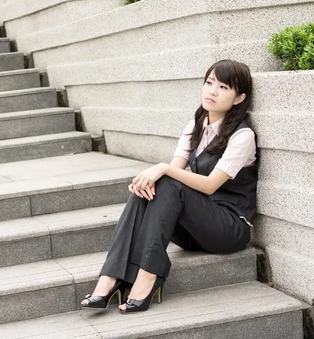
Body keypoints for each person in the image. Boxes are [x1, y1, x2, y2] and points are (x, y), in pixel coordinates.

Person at [81, 59, 258, 313]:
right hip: (194, 229)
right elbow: (173, 171)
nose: (211, 91)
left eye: (223, 87)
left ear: (239, 98)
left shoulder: (242, 135)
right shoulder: (196, 125)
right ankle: (109, 278)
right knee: (154, 183)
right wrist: (153, 176)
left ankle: (148, 276)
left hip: (229, 228)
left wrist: (163, 168)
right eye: (209, 83)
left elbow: (209, 185)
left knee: (165, 177)